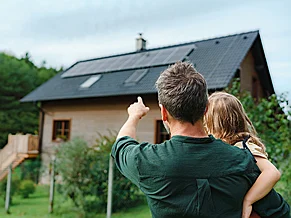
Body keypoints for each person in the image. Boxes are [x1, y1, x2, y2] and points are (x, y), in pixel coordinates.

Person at [111, 62, 290, 218]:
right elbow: (281, 213)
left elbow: (122, 143)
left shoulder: (146, 161)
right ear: (205, 109)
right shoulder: (242, 160)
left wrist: (134, 116)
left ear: (164, 112)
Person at [204, 91, 282, 218]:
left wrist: (248, 200)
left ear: (215, 124)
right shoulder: (228, 147)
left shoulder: (244, 147)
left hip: (270, 212)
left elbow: (272, 173)